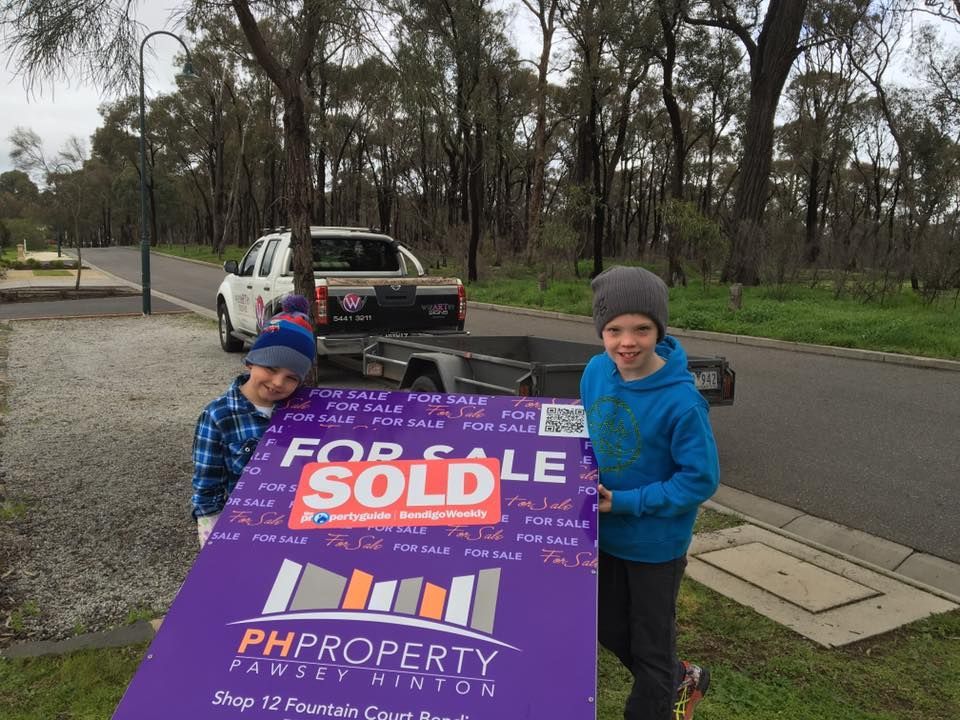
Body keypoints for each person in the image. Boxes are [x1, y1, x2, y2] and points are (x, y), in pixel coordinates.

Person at [579, 266, 719, 720]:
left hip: (655, 545)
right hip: (603, 535)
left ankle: (662, 694)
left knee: (651, 647)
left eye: (642, 328)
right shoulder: (596, 371)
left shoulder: (682, 400)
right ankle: (682, 676)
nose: (627, 342)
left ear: (659, 329)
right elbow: (582, 434)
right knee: (611, 629)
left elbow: (700, 479)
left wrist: (626, 502)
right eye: (614, 329)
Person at [191, 295, 316, 548]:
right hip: (242, 531)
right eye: (270, 368)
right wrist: (212, 542)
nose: (278, 382)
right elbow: (207, 486)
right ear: (251, 361)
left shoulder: (307, 412)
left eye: (291, 377)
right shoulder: (218, 416)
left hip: (295, 527)